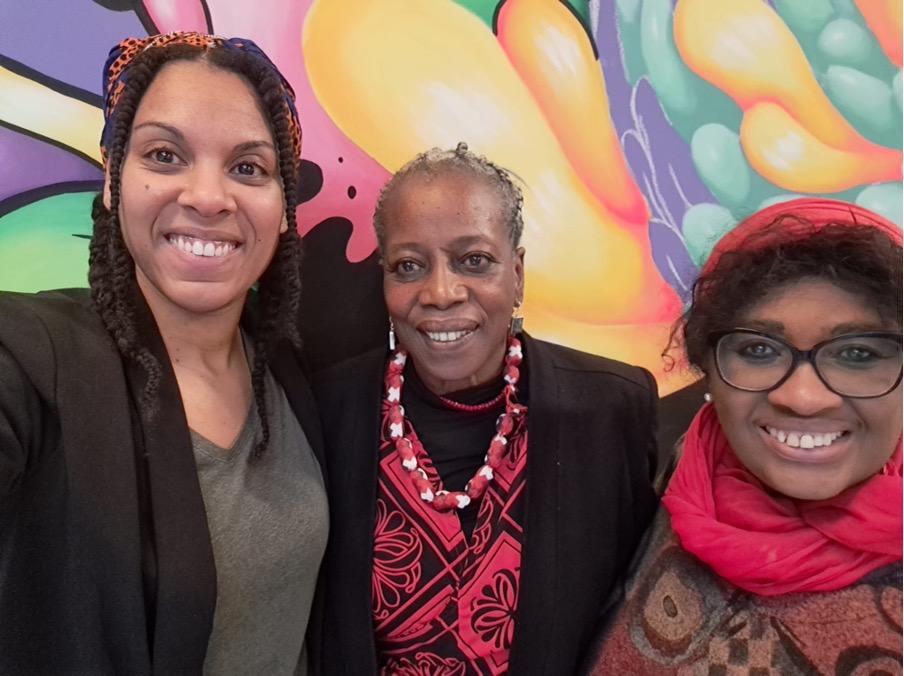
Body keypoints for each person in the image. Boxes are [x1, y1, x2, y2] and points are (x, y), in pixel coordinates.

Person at [0, 32, 328, 674]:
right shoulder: (34, 357)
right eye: (164, 155)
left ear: (284, 208)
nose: (207, 196)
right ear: (114, 182)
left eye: (248, 168)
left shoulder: (288, 372)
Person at [312, 142, 659, 674]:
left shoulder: (611, 411)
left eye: (474, 261)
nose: (441, 292)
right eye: (409, 266)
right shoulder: (327, 413)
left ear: (516, 274)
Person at [584, 198, 903, 674]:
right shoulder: (687, 463)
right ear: (709, 370)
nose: (803, 397)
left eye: (857, 354)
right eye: (758, 350)